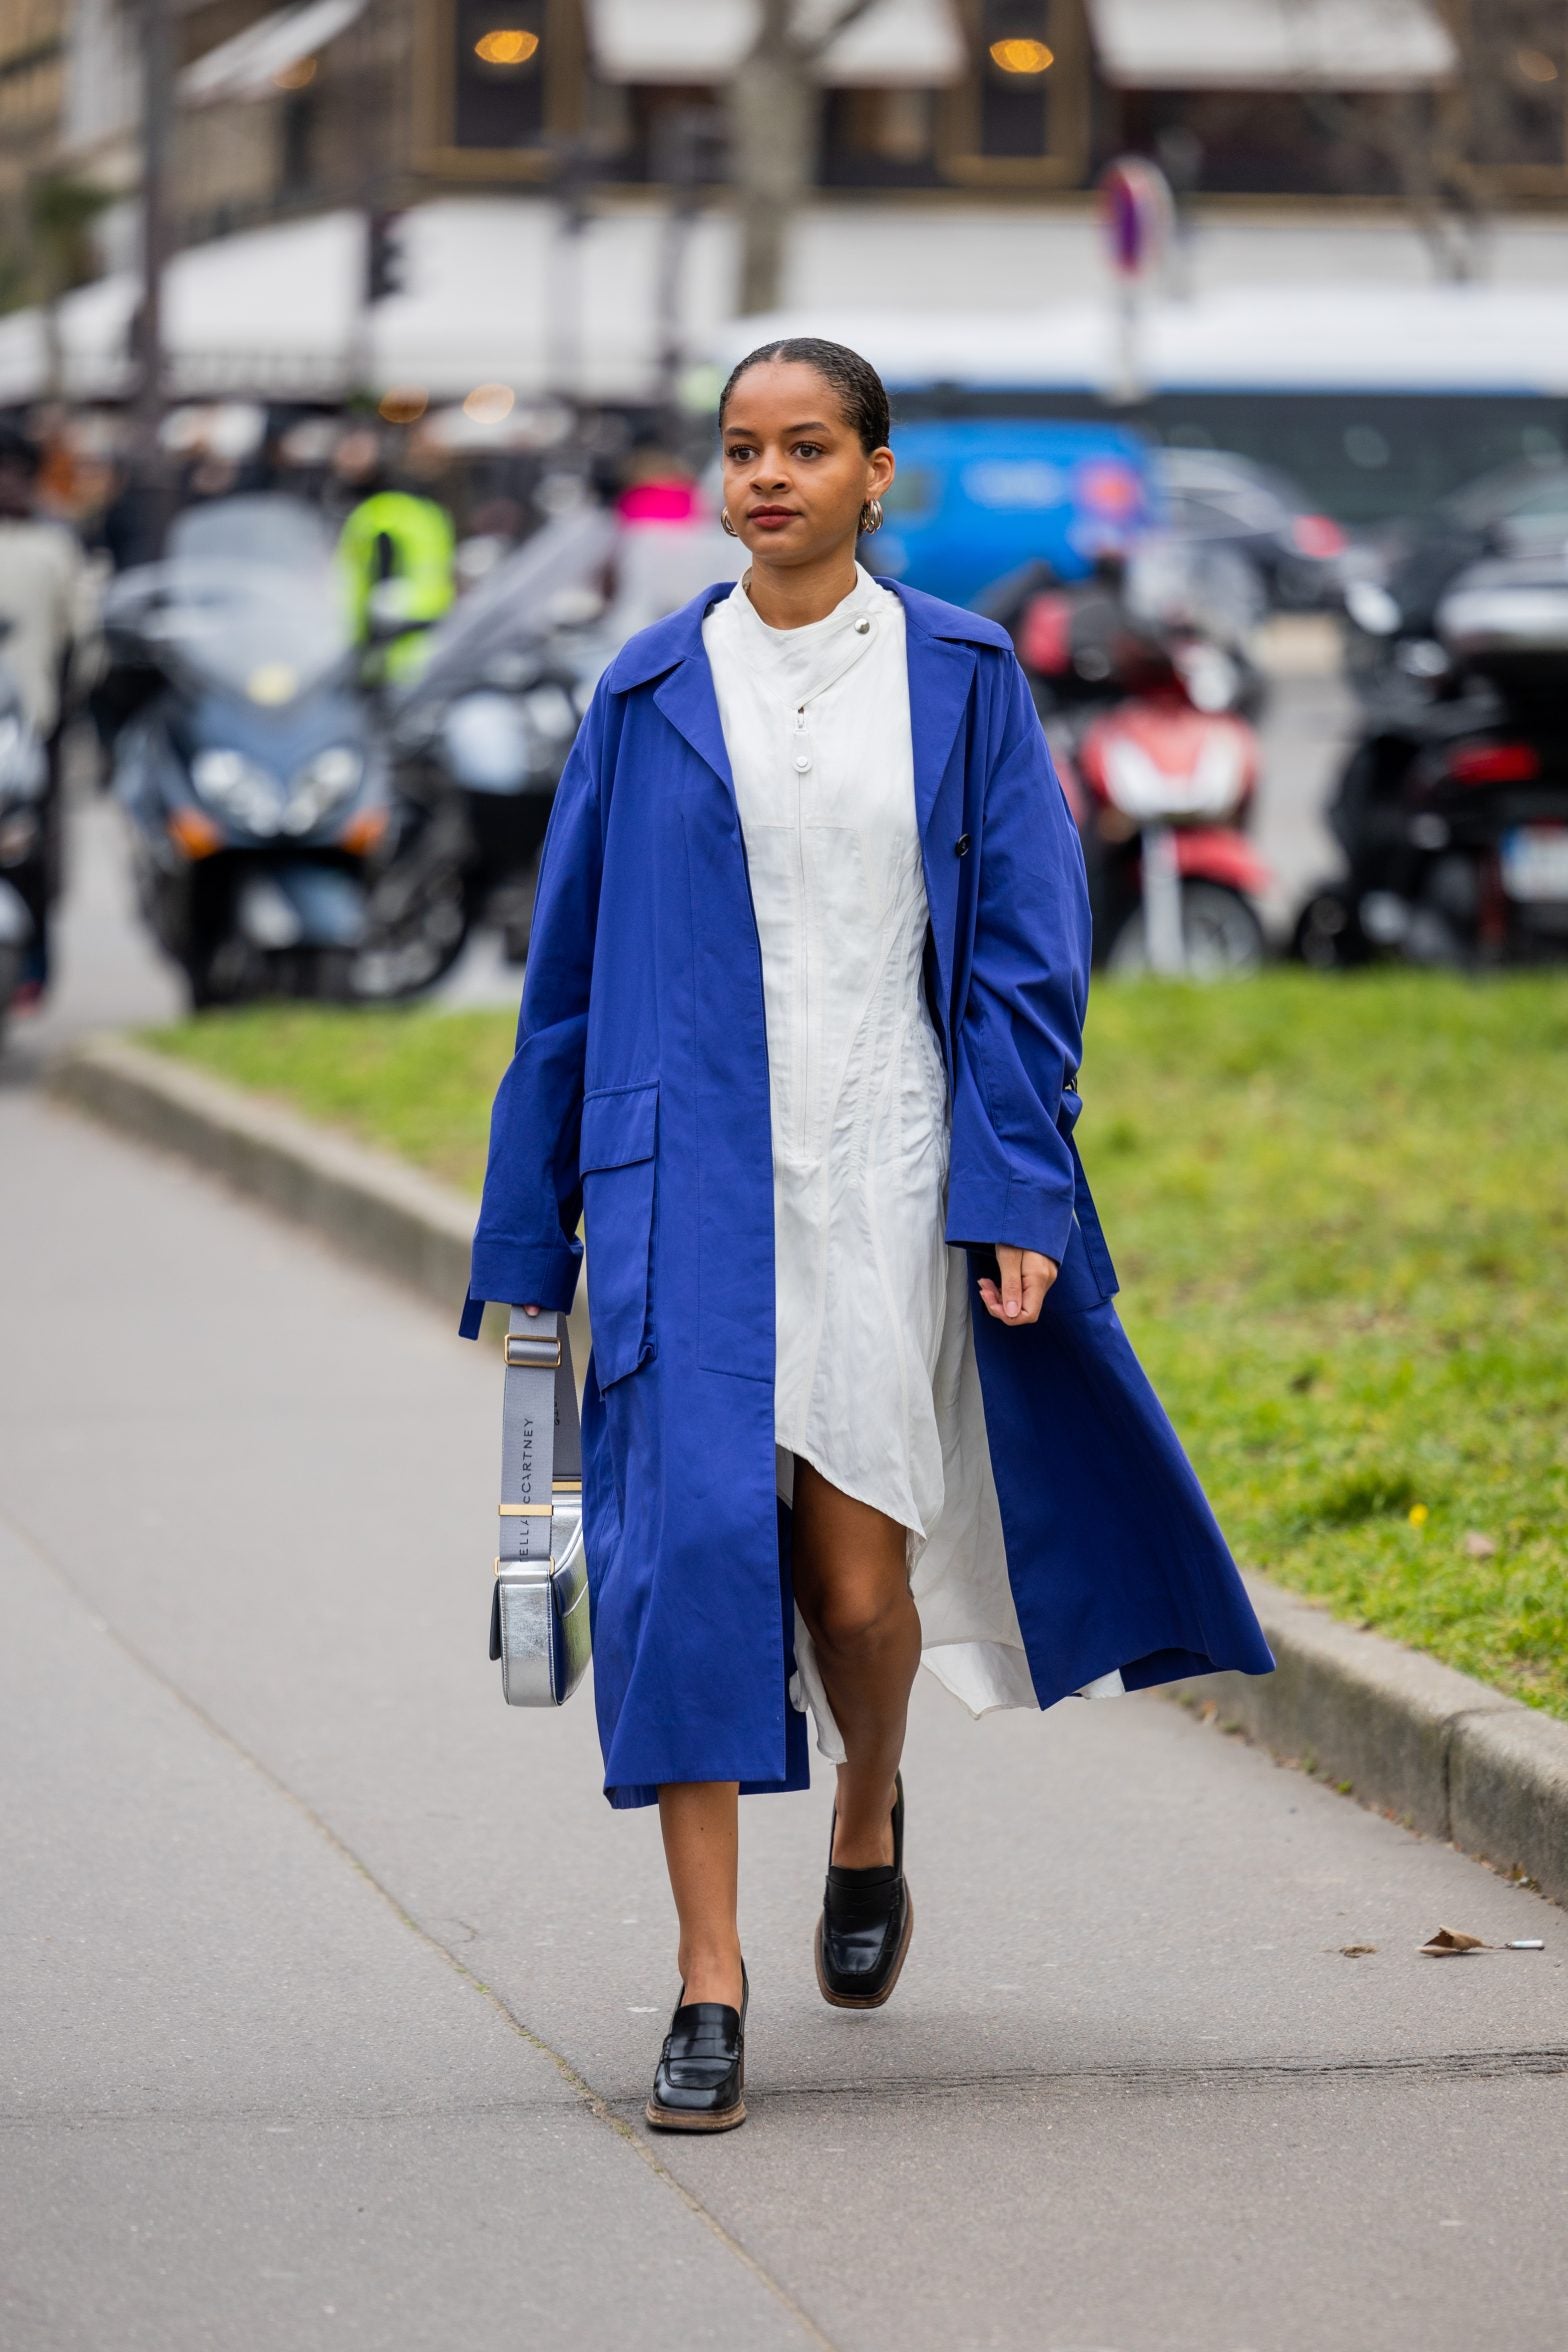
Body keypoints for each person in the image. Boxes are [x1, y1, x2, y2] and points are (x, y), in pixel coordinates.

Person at [459, 338, 1274, 2133]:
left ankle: (869, 1805)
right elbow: (567, 984)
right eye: (743, 450)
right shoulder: (652, 687)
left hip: (888, 1174)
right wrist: (531, 1239)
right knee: (679, 1565)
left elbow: (1023, 965)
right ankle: (705, 1981)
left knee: (851, 1594)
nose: (769, 477)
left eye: (806, 447)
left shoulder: (965, 681)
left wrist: (1014, 1189)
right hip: (687, 1186)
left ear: (874, 474)